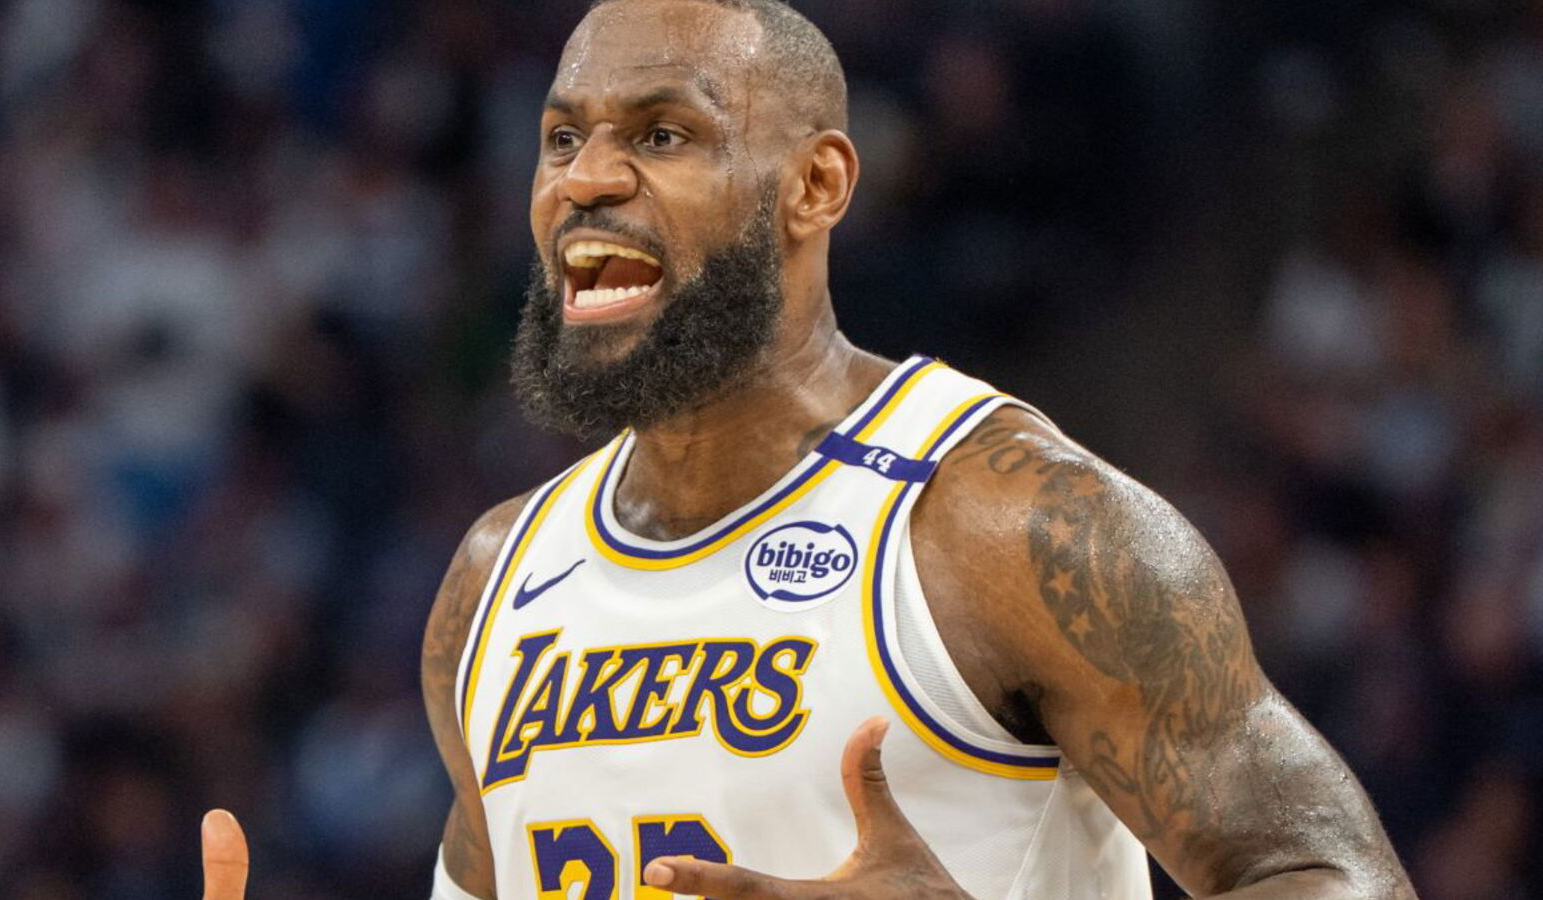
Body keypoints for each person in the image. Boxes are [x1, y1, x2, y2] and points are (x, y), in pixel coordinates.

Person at [202, 0, 1418, 897]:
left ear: (815, 185)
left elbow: (1327, 874)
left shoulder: (1002, 523)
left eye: (662, 135)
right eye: (562, 137)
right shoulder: (491, 584)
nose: (587, 178)